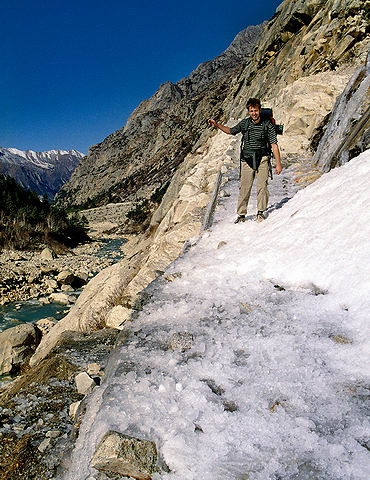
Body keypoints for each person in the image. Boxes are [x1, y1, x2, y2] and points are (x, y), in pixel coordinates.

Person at [208, 97, 282, 223]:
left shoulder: (267, 124)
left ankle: (260, 212)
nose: (254, 113)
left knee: (262, 187)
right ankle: (241, 215)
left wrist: (278, 164)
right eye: (251, 111)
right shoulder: (245, 123)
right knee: (244, 188)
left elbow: (274, 145)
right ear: (249, 111)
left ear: (260, 110)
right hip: (247, 159)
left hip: (263, 158)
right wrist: (217, 125)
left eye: (256, 110)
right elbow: (231, 131)